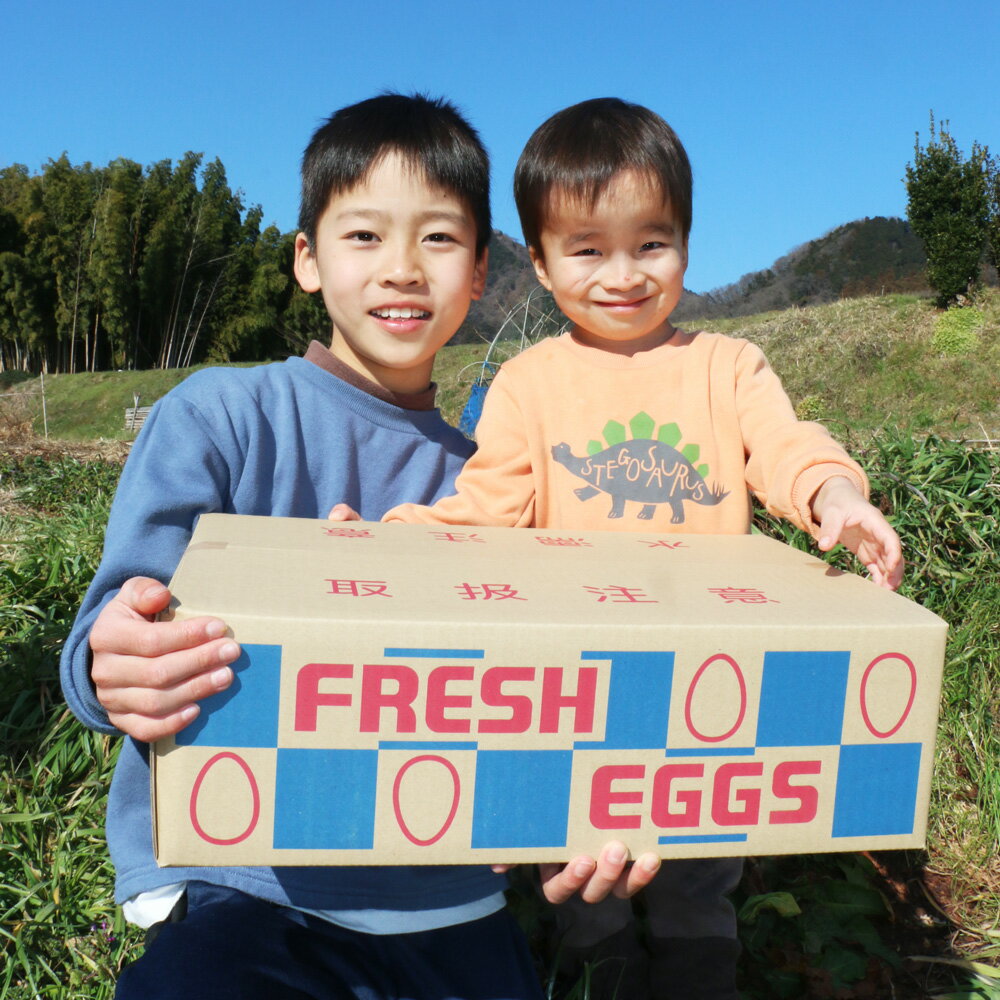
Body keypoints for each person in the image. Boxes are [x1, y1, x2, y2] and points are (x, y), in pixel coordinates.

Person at [336, 97, 903, 1000]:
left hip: (704, 671)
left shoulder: (728, 366)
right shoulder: (527, 384)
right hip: (579, 679)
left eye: (652, 242)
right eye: (588, 249)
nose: (624, 274)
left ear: (685, 240)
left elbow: (783, 445)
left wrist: (835, 495)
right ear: (541, 260)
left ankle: (699, 965)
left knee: (697, 863)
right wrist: (388, 544)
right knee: (585, 855)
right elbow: (485, 509)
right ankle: (600, 961)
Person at [60, 92, 554, 1000]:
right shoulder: (223, 417)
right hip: (243, 884)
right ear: (307, 261)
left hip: (450, 899)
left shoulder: (501, 478)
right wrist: (110, 665)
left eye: (439, 240)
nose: (403, 268)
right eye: (364, 236)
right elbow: (119, 616)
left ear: (483, 271)